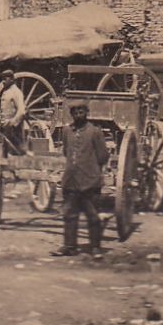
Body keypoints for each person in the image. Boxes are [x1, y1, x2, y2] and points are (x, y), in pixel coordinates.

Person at [55, 102, 110, 258]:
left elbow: (103, 156)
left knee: (93, 215)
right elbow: (66, 151)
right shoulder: (66, 131)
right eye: (75, 111)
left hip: (89, 180)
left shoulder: (95, 132)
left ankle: (95, 247)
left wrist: (91, 169)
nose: (78, 113)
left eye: (81, 110)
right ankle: (69, 246)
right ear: (71, 114)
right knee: (69, 215)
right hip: (71, 180)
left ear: (87, 112)